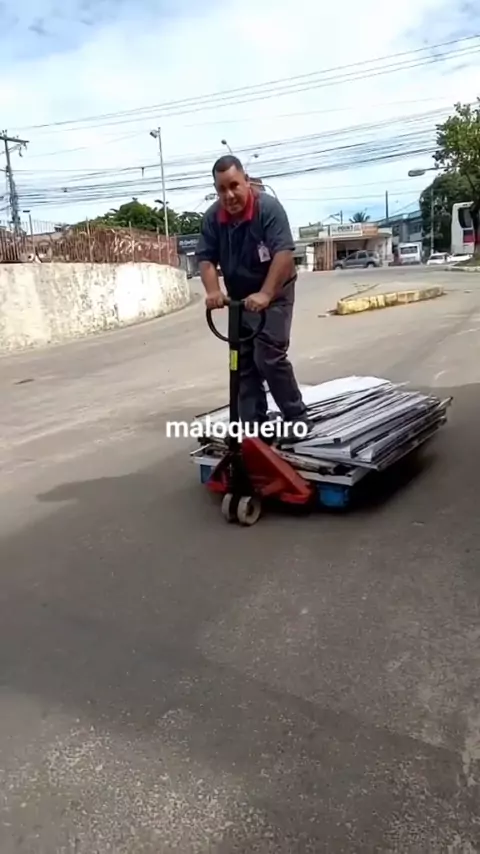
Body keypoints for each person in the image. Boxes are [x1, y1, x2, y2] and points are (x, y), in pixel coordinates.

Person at [195, 155, 309, 440]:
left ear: (246, 181)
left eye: (234, 185)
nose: (229, 195)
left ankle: (296, 417)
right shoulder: (213, 217)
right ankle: (254, 426)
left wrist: (267, 293)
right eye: (222, 189)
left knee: (268, 356)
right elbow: (206, 259)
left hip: (275, 291)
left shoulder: (268, 209)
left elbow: (283, 254)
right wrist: (213, 291)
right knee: (242, 361)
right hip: (239, 298)